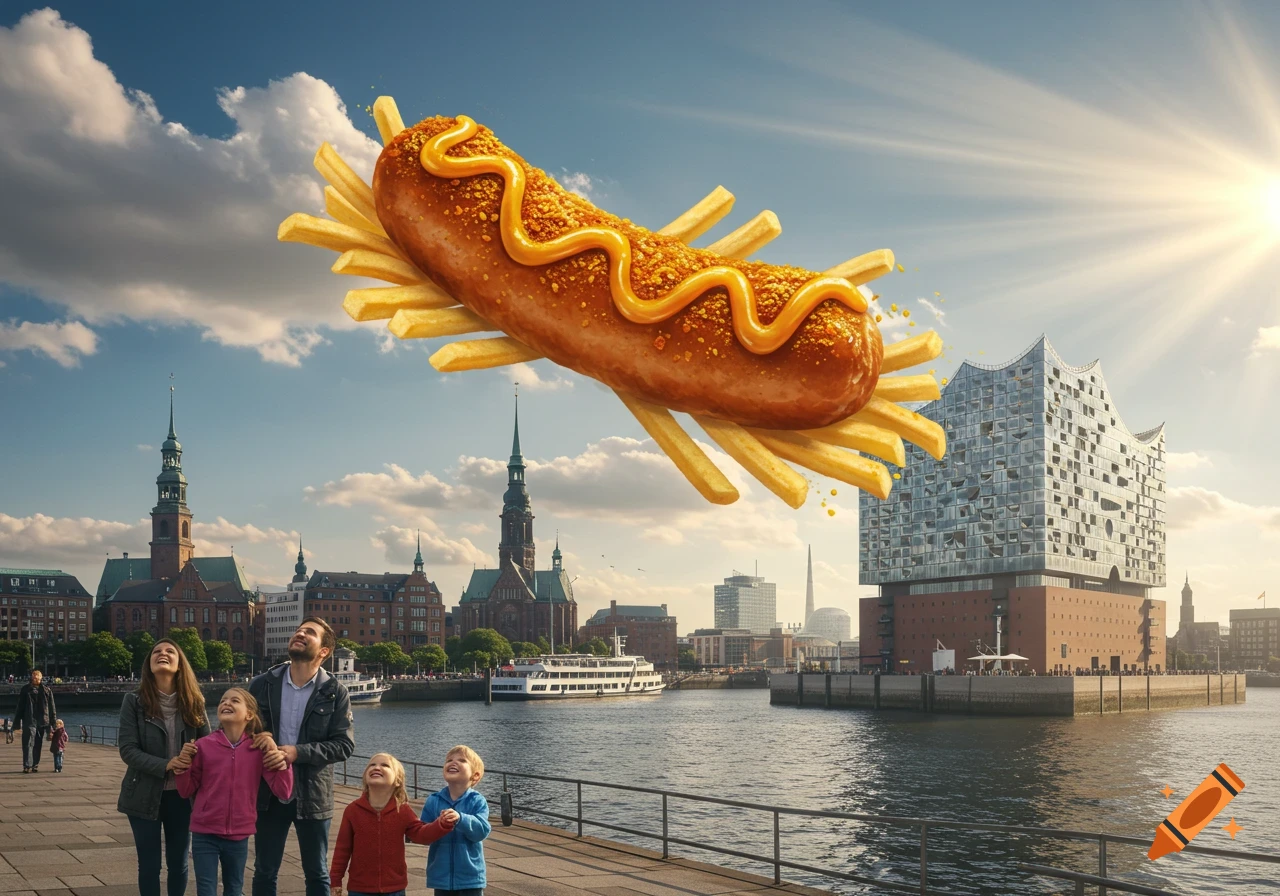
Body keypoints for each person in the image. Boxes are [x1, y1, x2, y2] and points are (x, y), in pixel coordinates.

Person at [249, 617, 355, 896]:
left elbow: (344, 745)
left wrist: (298, 752)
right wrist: (262, 740)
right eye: (299, 630)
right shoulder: (262, 684)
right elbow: (243, 732)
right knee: (264, 870)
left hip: (313, 794)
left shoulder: (335, 692)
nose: (300, 633)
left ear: (324, 651)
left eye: (309, 632)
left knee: (317, 873)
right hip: (268, 792)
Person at [177, 688, 293, 896]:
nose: (226, 703)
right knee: (206, 889)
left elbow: (283, 792)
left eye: (234, 700)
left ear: (249, 715)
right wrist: (183, 766)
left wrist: (282, 762)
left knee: (234, 889)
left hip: (239, 834)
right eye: (223, 700)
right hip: (204, 832)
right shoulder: (203, 746)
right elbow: (186, 791)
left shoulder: (259, 749)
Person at [118, 638, 210, 896]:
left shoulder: (194, 702)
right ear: (149, 664)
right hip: (142, 793)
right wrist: (167, 764)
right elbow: (128, 750)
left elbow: (208, 748)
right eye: (156, 651)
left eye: (170, 651)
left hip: (182, 796)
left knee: (179, 863)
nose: (163, 653)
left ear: (180, 664)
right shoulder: (133, 702)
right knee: (149, 864)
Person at [329, 753, 456, 896]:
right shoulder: (352, 810)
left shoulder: (402, 810)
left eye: (385, 765)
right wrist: (335, 881)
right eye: (372, 764)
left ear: (397, 780)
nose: (377, 767)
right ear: (365, 777)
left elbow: (421, 835)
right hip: (360, 889)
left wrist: (442, 824)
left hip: (394, 889)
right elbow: (342, 849)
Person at [422, 745, 491, 896]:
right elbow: (423, 834)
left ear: (475, 775)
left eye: (462, 760)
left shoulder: (477, 801)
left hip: (470, 877)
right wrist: (437, 825)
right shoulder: (433, 801)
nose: (453, 763)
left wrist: (461, 818)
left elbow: (482, 831)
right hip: (441, 876)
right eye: (449, 760)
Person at [14, 669, 57, 772]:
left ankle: (35, 764)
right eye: (33, 676)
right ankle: (27, 765)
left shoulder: (47, 690)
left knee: (38, 744)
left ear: (41, 678)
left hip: (42, 721)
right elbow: (20, 706)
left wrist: (53, 723)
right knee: (27, 743)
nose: (35, 678)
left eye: (37, 676)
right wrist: (16, 722)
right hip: (29, 720)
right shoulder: (25, 689)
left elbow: (52, 707)